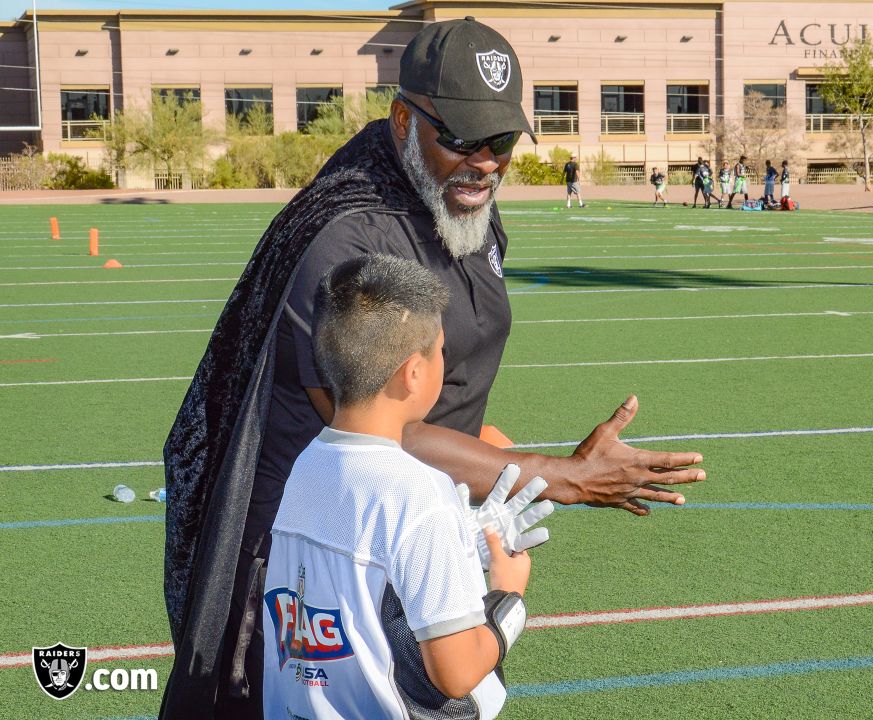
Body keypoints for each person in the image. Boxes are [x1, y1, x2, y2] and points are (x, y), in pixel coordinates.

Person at [160, 17, 705, 720]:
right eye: (461, 139)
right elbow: (378, 427)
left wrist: (496, 458)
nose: (485, 161)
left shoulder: (459, 201)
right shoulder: (351, 237)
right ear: (400, 122)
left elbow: (448, 388)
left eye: (501, 141)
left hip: (416, 524)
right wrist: (561, 477)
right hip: (327, 554)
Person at [263, 254, 547, 719]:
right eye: (439, 350)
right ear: (413, 372)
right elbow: (455, 674)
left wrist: (453, 555)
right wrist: (506, 596)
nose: (444, 361)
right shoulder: (420, 494)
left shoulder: (305, 466)